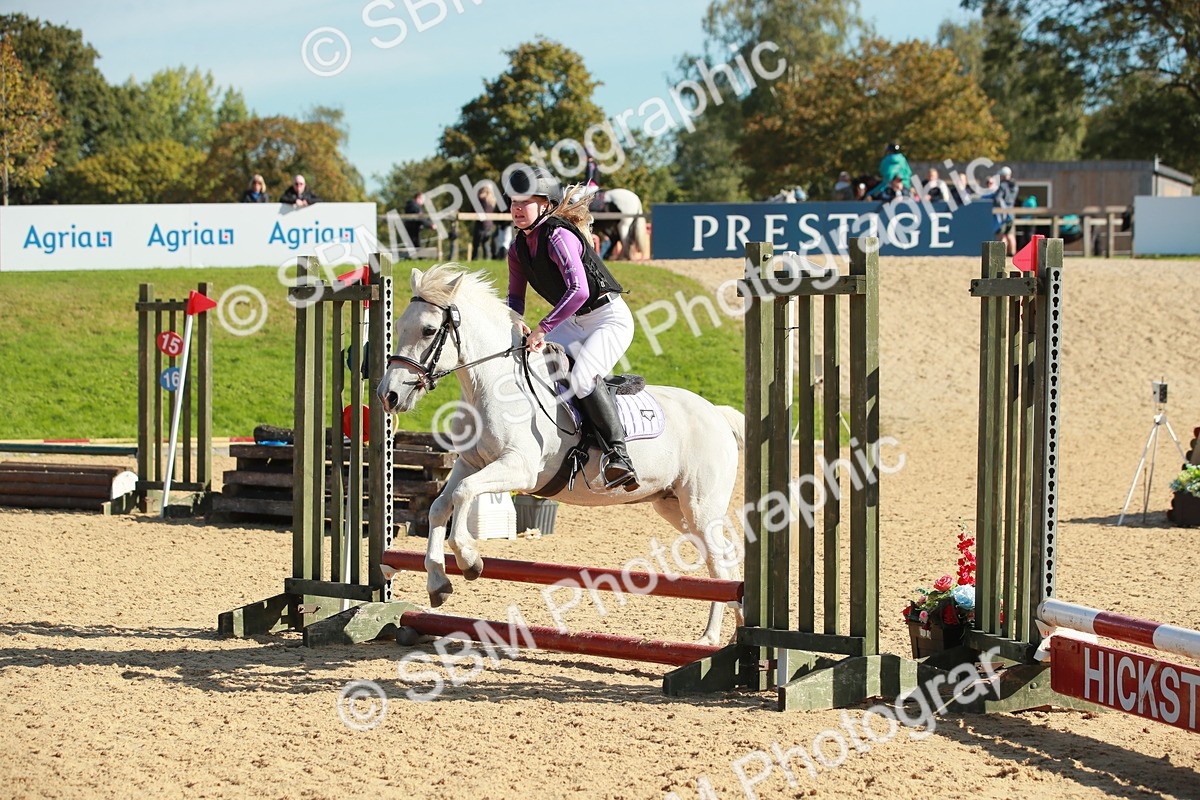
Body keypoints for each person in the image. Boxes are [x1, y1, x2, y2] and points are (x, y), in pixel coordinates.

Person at [505, 167, 638, 490]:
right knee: (530, 364)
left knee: (580, 378)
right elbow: (514, 297)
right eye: (514, 202)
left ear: (546, 205)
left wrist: (541, 329)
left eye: (527, 201)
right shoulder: (518, 247)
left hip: (608, 318)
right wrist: (513, 322)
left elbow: (578, 291)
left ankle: (619, 455)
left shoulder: (559, 235)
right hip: (572, 322)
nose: (518, 208)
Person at [993, 166, 1019, 255]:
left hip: (1002, 213)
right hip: (1011, 211)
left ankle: (1001, 254)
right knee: (1010, 234)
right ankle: (1012, 252)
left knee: (1001, 234)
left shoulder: (1003, 185)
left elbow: (997, 198)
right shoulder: (1015, 186)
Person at [472, 186, 497, 260]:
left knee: (476, 243)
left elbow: (474, 209)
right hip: (489, 225)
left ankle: (475, 258)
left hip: (481, 224)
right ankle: (487, 259)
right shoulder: (492, 201)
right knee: (486, 243)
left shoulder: (481, 201)